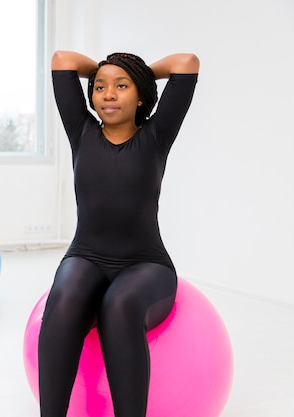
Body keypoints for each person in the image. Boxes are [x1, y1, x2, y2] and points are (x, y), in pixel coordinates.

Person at [39, 50, 200, 416]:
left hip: (147, 265)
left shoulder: (157, 135)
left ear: (140, 94)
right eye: (99, 87)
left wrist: (139, 71)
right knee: (63, 300)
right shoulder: (80, 131)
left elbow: (187, 62)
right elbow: (62, 59)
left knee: (120, 304)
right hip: (87, 257)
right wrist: (112, 71)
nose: (108, 94)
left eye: (121, 86)